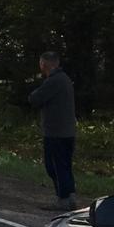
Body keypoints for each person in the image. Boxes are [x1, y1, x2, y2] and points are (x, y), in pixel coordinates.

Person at [28, 51, 77, 210]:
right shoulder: (64, 79)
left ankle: (63, 199)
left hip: (56, 132)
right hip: (67, 131)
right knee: (64, 165)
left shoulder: (54, 81)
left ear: (45, 64)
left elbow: (35, 98)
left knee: (54, 166)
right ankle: (70, 196)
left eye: (41, 63)